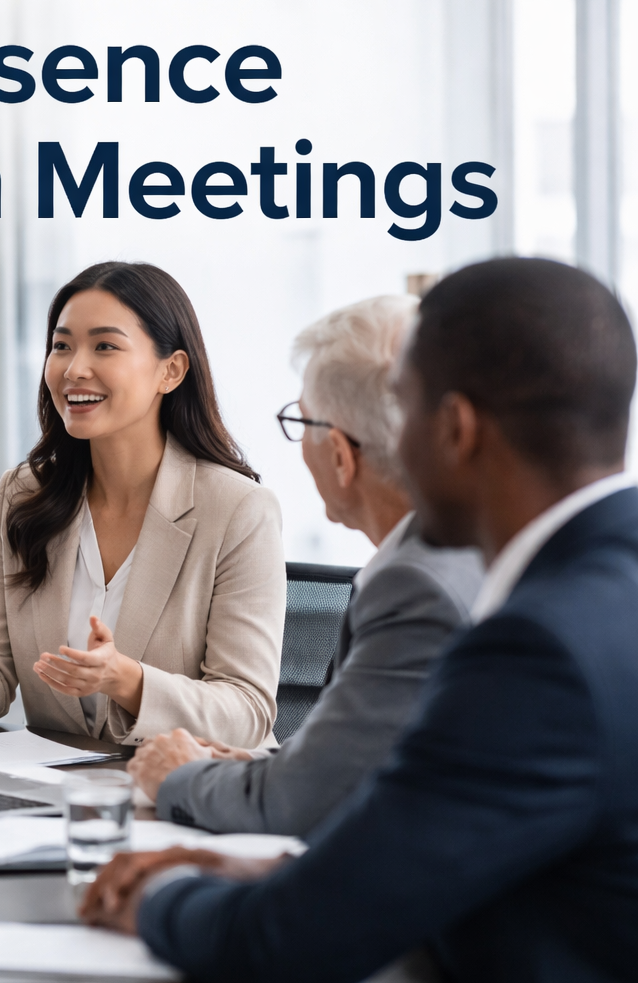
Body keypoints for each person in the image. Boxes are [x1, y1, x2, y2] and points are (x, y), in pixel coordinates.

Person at [81, 257, 638, 983]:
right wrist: (259, 871)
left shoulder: (534, 652)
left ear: (455, 430)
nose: (390, 445)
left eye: (403, 412)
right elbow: (457, 846)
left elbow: (282, 943)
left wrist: (156, 893)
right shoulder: (604, 587)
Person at [0, 262, 284, 747]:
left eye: (105, 346)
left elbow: (247, 710)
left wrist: (126, 680)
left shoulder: (239, 510)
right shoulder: (23, 495)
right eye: (61, 346)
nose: (73, 368)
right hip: (61, 798)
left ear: (170, 371)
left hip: (190, 795)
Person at [129, 295, 483, 835]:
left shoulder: (417, 585)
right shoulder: (460, 555)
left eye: (300, 420)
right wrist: (256, 769)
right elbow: (362, 768)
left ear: (341, 456)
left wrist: (181, 777)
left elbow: (303, 805)